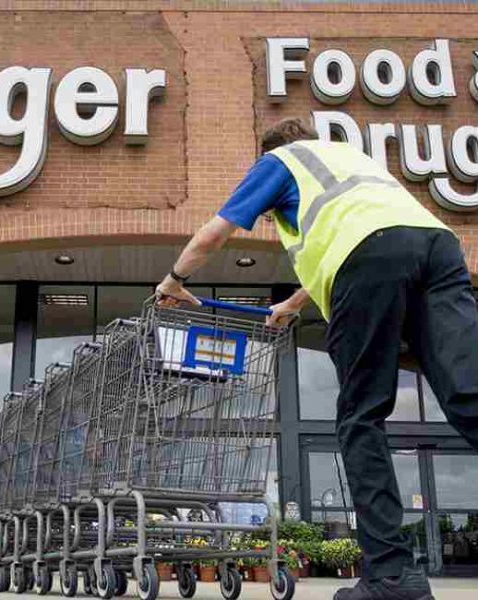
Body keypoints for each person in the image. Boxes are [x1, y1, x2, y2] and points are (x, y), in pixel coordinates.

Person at [156, 117, 478, 600]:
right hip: (438, 248)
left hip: (369, 263)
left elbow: (214, 233)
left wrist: (173, 280)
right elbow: (376, 233)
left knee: (361, 418)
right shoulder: (353, 161)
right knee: (468, 393)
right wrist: (291, 305)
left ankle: (392, 578)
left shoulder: (282, 160)